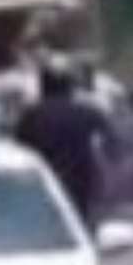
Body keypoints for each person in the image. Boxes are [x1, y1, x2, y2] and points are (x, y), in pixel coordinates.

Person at [17, 58, 112, 230]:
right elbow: (111, 143)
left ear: (43, 85)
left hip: (42, 181)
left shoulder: (31, 115)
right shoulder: (88, 112)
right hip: (80, 182)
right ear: (70, 86)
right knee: (79, 225)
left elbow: (20, 147)